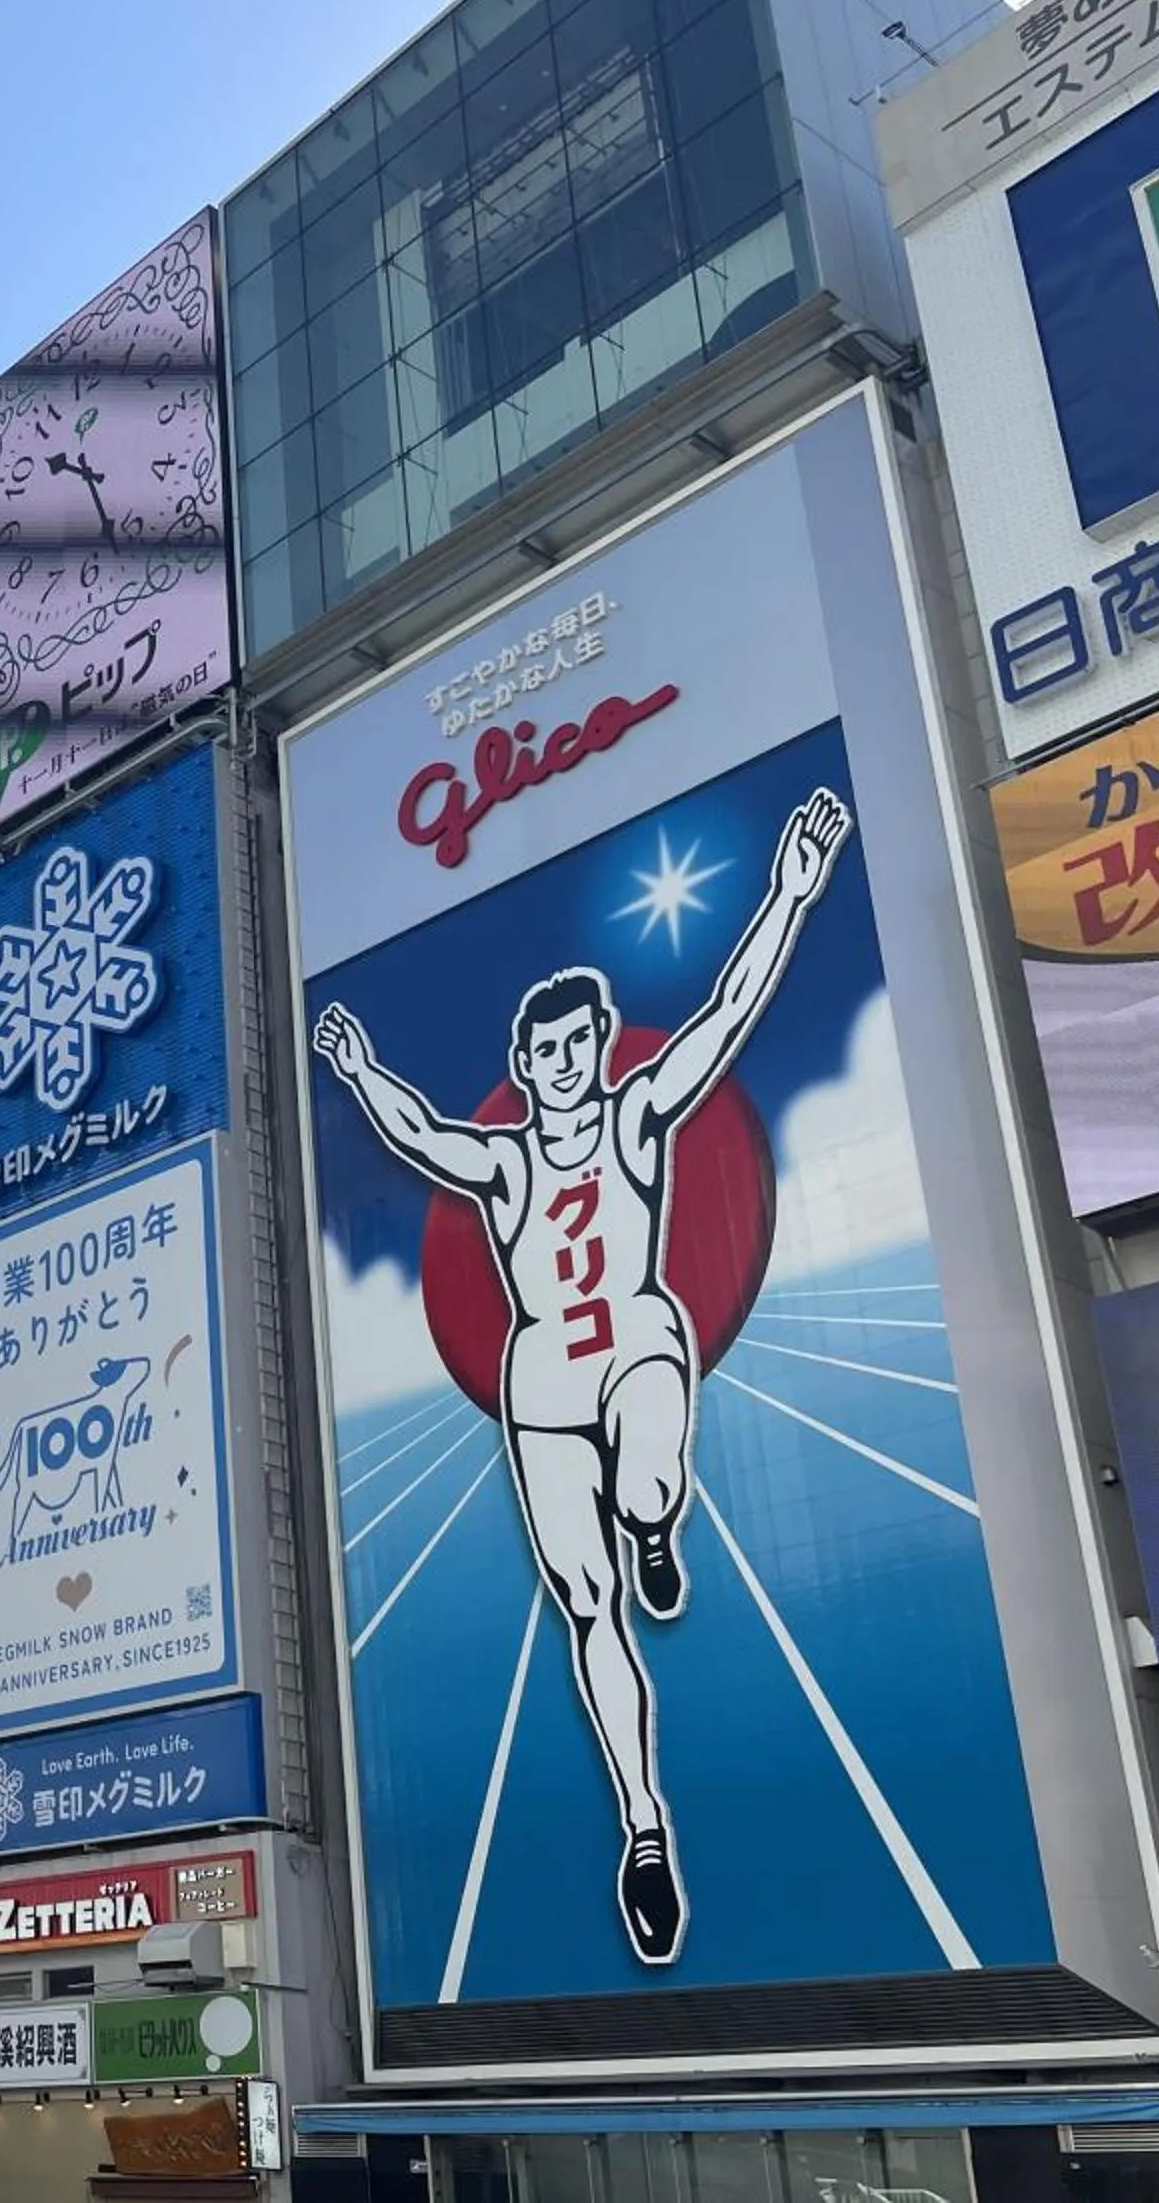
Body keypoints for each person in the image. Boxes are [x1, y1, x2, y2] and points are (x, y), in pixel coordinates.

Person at [312, 787, 849, 1968]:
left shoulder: (640, 1118)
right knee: (589, 1604)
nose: (565, 1065)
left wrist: (790, 892)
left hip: (641, 1342)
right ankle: (644, 1826)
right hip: (543, 1381)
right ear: (525, 1060)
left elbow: (726, 1013)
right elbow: (420, 1136)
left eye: (580, 1045)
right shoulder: (504, 1164)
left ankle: (658, 1518)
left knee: (650, 1476)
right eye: (546, 1051)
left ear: (600, 1049)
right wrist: (358, 1072)